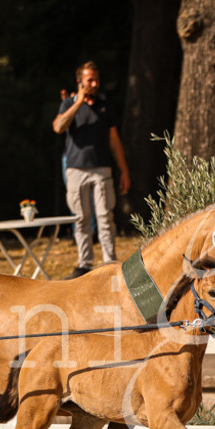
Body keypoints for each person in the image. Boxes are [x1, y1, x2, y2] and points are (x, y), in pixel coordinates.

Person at [52, 61, 130, 279]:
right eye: (89, 80)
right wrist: (77, 102)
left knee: (105, 218)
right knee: (81, 218)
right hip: (76, 170)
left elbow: (114, 140)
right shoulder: (68, 103)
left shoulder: (105, 104)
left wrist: (123, 170)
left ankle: (110, 263)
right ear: (80, 82)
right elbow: (58, 127)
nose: (94, 84)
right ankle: (84, 263)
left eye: (96, 79)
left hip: (102, 170)